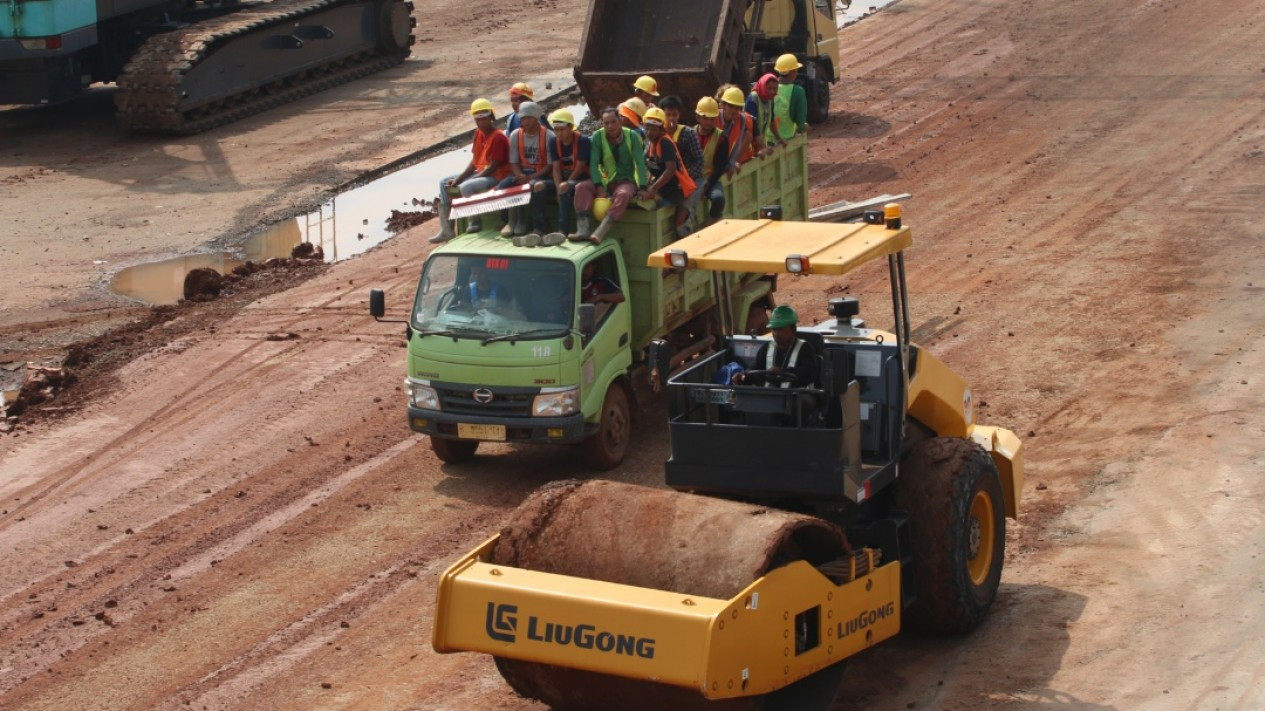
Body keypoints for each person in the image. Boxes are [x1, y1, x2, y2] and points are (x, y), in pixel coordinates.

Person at [431, 98, 510, 243]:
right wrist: (459, 178)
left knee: (467, 187)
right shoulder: (478, 134)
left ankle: (475, 221)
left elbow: (494, 166)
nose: (480, 123)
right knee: (444, 183)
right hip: (481, 172)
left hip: (496, 175)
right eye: (477, 120)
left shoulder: (498, 137)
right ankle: (447, 229)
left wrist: (472, 179)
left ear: (491, 117)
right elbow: (475, 161)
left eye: (484, 119)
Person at [573, 107, 649, 244]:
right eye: (606, 123)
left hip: (626, 181)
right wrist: (598, 186)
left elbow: (640, 163)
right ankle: (583, 229)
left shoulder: (632, 136)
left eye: (613, 122)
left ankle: (602, 230)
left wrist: (642, 186)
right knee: (581, 187)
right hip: (605, 180)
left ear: (620, 121)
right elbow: (594, 163)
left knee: (624, 194)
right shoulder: (597, 136)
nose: (610, 126)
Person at [499, 101, 554, 241]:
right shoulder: (515, 135)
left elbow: (550, 165)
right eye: (522, 118)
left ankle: (539, 227)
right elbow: (514, 161)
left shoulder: (549, 136)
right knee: (503, 186)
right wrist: (519, 175)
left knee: (535, 187)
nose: (525, 121)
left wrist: (530, 178)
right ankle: (508, 221)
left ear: (536, 118)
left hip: (542, 175)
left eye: (528, 117)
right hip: (523, 173)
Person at [640, 107, 696, 238]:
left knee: (655, 208)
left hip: (675, 190)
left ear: (661, 129)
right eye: (647, 128)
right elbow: (649, 167)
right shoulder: (651, 143)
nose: (649, 132)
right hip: (664, 187)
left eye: (653, 129)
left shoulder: (664, 142)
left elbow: (670, 170)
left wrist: (652, 189)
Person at [732, 305, 818, 388]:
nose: (776, 334)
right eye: (774, 329)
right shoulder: (767, 348)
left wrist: (782, 372)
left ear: (793, 330)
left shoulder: (805, 349)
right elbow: (755, 369)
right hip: (772, 397)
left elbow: (809, 375)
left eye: (781, 329)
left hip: (798, 396)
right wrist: (743, 376)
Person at [658, 96, 704, 235]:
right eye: (668, 115)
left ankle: (685, 227)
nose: (671, 118)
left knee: (682, 215)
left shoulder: (688, 134)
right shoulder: (656, 134)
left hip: (691, 179)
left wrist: (685, 178)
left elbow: (699, 160)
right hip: (667, 178)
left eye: (675, 115)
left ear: (679, 115)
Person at [547, 109, 593, 241]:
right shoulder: (553, 142)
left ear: (571, 128)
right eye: (556, 130)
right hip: (563, 179)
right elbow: (556, 168)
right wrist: (557, 187)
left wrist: (564, 185)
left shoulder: (582, 141)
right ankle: (541, 228)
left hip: (581, 178)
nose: (559, 133)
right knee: (539, 187)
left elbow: (580, 167)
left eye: (562, 129)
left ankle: (563, 230)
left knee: (565, 188)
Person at [693, 96, 730, 229]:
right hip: (692, 179)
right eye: (705, 118)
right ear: (698, 117)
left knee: (718, 199)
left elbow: (720, 166)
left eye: (712, 119)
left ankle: (710, 222)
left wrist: (707, 185)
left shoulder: (722, 138)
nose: (709, 122)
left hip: (710, 178)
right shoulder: (689, 133)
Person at [718, 86, 766, 175]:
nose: (734, 110)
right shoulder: (713, 119)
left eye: (737, 107)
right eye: (731, 106)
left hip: (739, 167)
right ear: (723, 105)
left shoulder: (746, 121)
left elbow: (758, 144)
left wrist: (762, 150)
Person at [772, 54, 809, 141]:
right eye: (796, 70)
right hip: (786, 138)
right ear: (792, 72)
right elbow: (800, 123)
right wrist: (804, 127)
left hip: (767, 139)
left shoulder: (768, 88)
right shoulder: (797, 91)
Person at [746, 73, 780, 147]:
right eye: (769, 88)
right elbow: (751, 127)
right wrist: (763, 147)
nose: (772, 91)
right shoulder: (753, 99)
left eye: (775, 89)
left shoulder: (770, 99)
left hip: (761, 142)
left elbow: (771, 120)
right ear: (763, 86)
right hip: (750, 145)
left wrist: (779, 139)